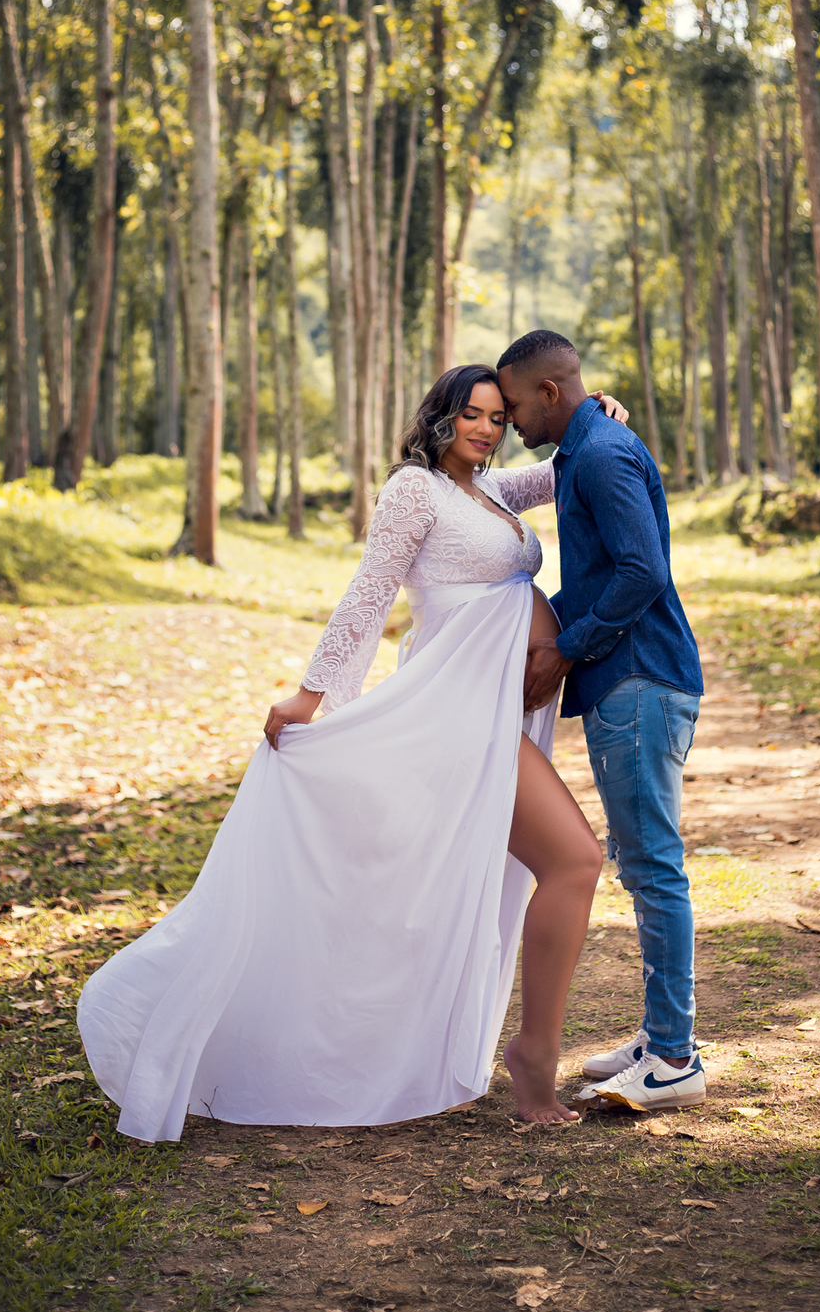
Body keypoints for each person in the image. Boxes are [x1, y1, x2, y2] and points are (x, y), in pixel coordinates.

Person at [76, 365, 626, 1137]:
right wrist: (313, 695)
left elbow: (560, 470)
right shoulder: (414, 491)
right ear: (440, 416)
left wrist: (597, 414)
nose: (485, 429)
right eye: (471, 414)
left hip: (491, 716)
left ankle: (509, 1050)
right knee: (574, 859)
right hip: (454, 717)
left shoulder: (489, 492)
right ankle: (533, 1060)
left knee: (498, 878)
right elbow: (370, 593)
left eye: (498, 418)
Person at [497, 330, 707, 1114]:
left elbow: (642, 572)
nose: (510, 420)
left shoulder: (601, 455)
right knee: (642, 860)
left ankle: (676, 1057)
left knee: (652, 865)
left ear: (549, 393)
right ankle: (662, 1036)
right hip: (629, 683)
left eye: (515, 404)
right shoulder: (581, 451)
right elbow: (608, 573)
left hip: (640, 680)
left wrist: (565, 649)